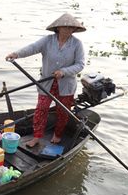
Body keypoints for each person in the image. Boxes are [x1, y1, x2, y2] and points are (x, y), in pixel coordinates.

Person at [5, 13, 86, 147]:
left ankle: (58, 134)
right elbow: (32, 48)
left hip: (66, 85)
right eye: (65, 27)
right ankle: (36, 137)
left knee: (63, 111)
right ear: (58, 28)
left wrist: (63, 72)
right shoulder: (48, 40)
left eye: (71, 28)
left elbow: (80, 64)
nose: (68, 30)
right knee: (41, 109)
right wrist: (16, 54)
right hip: (47, 83)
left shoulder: (77, 44)